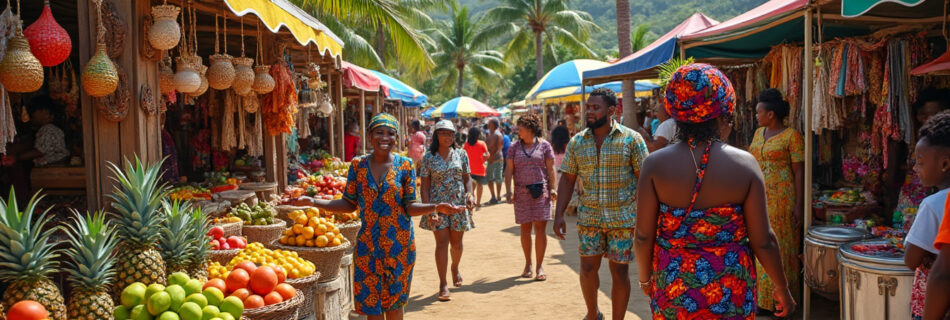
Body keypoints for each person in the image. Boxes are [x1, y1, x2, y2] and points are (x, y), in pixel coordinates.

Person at [634, 63, 795, 319]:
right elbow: (763, 240)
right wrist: (781, 286)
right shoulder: (744, 164)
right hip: (730, 291)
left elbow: (643, 236)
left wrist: (645, 280)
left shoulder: (654, 165)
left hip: (673, 289)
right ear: (724, 109)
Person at [291, 113, 464, 319]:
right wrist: (314, 202)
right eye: (379, 132)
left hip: (399, 247)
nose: (385, 137)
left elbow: (409, 206)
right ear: (370, 135)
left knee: (394, 305)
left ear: (397, 137)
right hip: (367, 247)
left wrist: (436, 207)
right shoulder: (358, 165)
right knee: (371, 306)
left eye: (390, 133)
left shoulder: (406, 165)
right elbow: (348, 203)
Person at [553, 88, 648, 320]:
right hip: (590, 218)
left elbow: (644, 180)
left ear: (612, 110)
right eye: (589, 107)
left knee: (620, 271)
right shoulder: (577, 142)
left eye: (596, 108)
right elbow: (567, 179)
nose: (590, 112)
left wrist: (646, 218)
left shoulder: (631, 139)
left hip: (623, 219)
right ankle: (592, 313)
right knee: (587, 269)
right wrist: (559, 214)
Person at [747, 88, 804, 314]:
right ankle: (763, 300)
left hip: (782, 199)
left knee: (782, 247)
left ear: (771, 114)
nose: (756, 115)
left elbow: (799, 172)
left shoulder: (792, 136)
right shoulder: (757, 134)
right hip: (758, 197)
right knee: (759, 243)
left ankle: (782, 302)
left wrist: (799, 204)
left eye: (759, 112)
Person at [419, 120, 476, 302]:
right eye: (444, 133)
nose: (448, 137)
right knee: (441, 243)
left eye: (451, 134)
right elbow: (425, 186)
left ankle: (455, 267)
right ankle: (443, 283)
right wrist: (429, 210)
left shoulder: (461, 154)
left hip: (459, 204)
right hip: (438, 205)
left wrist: (470, 195)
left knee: (456, 244)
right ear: (436, 135)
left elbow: (467, 178)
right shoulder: (429, 157)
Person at [906, 110, 950, 320]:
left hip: (935, 306)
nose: (915, 168)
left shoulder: (932, 204)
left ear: (944, 164)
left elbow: (911, 259)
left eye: (921, 162)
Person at [505, 113, 557, 281]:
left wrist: (553, 189)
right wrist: (508, 190)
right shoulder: (514, 147)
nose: (517, 131)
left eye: (520, 128)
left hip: (540, 193)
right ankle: (528, 263)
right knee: (525, 229)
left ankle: (540, 266)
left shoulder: (545, 146)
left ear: (530, 129)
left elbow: (551, 169)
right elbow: (509, 170)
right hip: (521, 193)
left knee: (540, 230)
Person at [17, 97, 69, 167]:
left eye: (34, 111)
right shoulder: (50, 129)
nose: (31, 115)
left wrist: (17, 158)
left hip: (51, 170)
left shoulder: (48, 129)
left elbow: (40, 151)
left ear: (46, 112)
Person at [463, 127, 489, 208]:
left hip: (469, 169)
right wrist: (483, 160)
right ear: (478, 135)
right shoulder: (482, 143)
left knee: (471, 187)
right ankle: (478, 203)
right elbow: (487, 154)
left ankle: (472, 201)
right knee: (479, 186)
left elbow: (463, 156)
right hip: (480, 169)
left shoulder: (466, 144)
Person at [486, 118, 505, 205]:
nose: (488, 125)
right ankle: (493, 196)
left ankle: (498, 196)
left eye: (490, 123)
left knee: (498, 178)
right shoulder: (489, 134)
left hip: (497, 159)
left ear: (494, 125)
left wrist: (492, 157)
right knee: (490, 178)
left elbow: (499, 148)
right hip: (491, 159)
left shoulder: (498, 135)